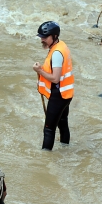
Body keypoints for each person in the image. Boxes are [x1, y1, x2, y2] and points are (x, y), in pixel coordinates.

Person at [32, 21, 74, 150]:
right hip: (66, 94)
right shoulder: (61, 46)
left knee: (49, 130)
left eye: (44, 37)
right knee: (62, 123)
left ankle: (45, 160)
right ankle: (65, 149)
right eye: (41, 37)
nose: (42, 40)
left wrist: (39, 71)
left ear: (54, 36)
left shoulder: (56, 53)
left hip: (58, 96)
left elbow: (55, 79)